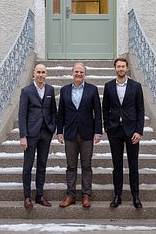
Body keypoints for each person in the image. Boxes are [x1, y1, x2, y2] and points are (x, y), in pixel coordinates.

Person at [56, 62, 102, 208]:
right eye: (76, 72)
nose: (79, 74)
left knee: (86, 165)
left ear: (85, 74)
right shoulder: (64, 90)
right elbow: (60, 113)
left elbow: (98, 112)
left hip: (87, 133)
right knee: (71, 166)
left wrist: (98, 131)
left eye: (81, 72)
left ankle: (86, 195)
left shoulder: (92, 90)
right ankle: (70, 195)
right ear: (72, 73)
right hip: (70, 133)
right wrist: (59, 131)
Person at [102, 57, 145, 208]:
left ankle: (136, 196)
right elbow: (105, 109)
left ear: (127, 69)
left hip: (132, 132)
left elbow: (140, 110)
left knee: (133, 166)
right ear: (115, 68)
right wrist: (107, 127)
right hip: (115, 131)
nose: (121, 69)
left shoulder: (136, 86)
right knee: (117, 166)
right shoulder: (108, 86)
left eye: (123, 66)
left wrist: (139, 131)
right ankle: (117, 195)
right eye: (118, 66)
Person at [18, 63, 57, 209]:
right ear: (33, 73)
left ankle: (39, 195)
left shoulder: (50, 90)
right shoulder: (26, 91)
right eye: (38, 72)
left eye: (43, 72)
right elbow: (22, 114)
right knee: (28, 167)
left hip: (45, 133)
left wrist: (52, 127)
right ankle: (27, 197)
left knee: (42, 165)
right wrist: (23, 136)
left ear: (46, 74)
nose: (41, 75)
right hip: (31, 135)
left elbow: (53, 110)